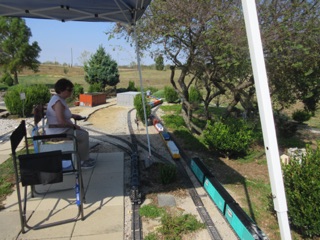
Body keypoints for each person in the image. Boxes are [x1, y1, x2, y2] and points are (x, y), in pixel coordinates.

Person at [45, 78, 95, 169]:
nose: (71, 92)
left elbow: (63, 115)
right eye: (69, 90)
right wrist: (74, 126)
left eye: (71, 90)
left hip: (61, 129)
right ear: (61, 90)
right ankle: (83, 161)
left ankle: (82, 158)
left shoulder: (59, 99)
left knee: (82, 133)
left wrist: (72, 115)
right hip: (58, 132)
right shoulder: (58, 102)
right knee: (83, 135)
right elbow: (61, 121)